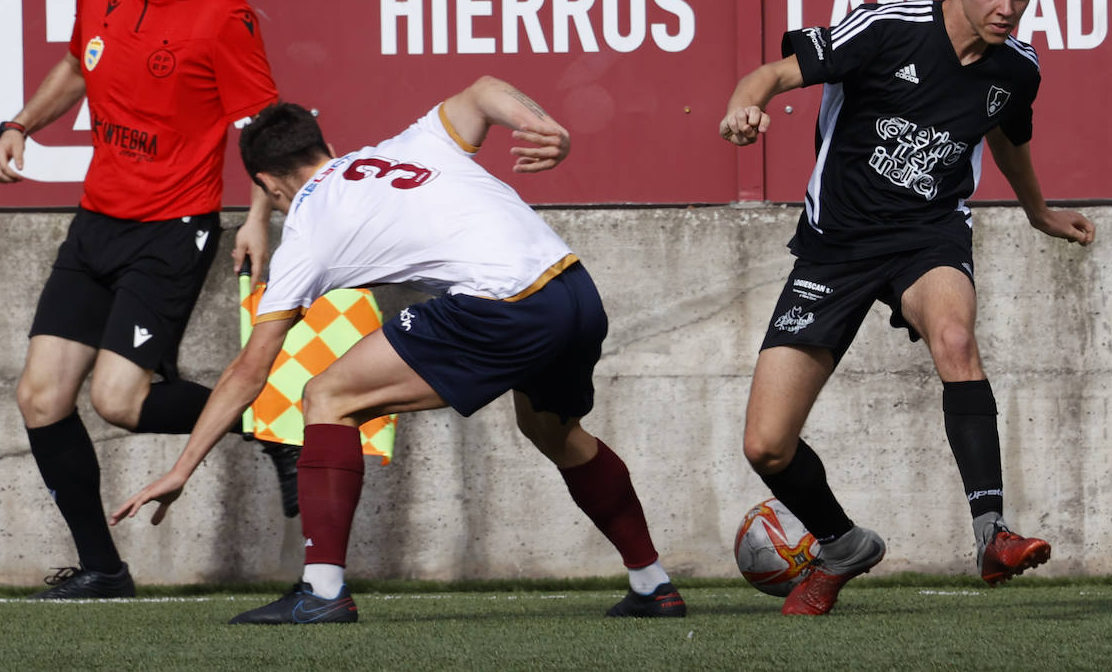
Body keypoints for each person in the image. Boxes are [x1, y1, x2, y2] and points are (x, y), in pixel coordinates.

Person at [110, 75, 686, 624]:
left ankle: (322, 592)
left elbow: (249, 370)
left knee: (326, 396)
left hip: (504, 304)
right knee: (553, 431)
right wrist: (543, 126)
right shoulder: (410, 143)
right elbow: (485, 90)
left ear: (267, 184)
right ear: (326, 148)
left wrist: (181, 469)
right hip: (574, 289)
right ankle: (652, 585)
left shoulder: (306, 228)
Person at [718, 0, 1096, 616]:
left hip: (930, 237)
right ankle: (842, 544)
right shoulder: (885, 30)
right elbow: (769, 76)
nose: (1007, 8)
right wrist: (743, 109)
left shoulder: (1017, 70)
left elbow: (1007, 137)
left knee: (955, 337)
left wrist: (1038, 211)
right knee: (767, 447)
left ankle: (992, 533)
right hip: (835, 250)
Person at [0, 0, 291, 599]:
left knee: (119, 402)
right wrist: (20, 123)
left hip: (173, 231)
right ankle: (104, 569)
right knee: (40, 398)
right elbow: (78, 66)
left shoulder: (227, 16)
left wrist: (258, 219)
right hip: (97, 224)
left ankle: (268, 420)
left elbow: (265, 130)